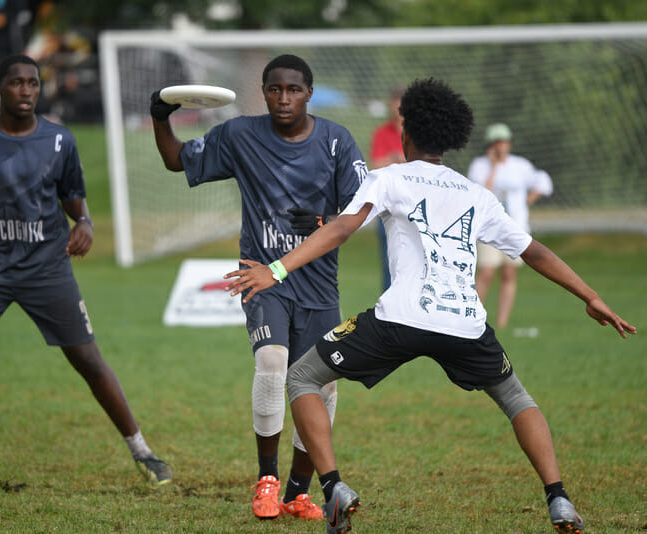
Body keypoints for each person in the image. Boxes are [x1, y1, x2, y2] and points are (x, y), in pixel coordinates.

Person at [225, 78, 636, 534]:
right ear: (452, 140)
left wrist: (276, 269)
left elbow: (341, 229)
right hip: (465, 323)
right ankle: (558, 499)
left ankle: (333, 487)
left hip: (401, 318)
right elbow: (533, 251)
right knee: (517, 397)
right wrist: (591, 296)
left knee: (303, 376)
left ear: (406, 134)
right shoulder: (476, 194)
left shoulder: (389, 177)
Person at [0, 54, 172, 486]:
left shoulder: (60, 140)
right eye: (16, 83)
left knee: (88, 359)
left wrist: (86, 223)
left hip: (46, 266)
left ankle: (143, 453)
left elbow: (74, 196)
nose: (26, 91)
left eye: (33, 84)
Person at [151, 54, 367, 521]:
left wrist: (323, 222)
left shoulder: (337, 141)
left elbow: (358, 213)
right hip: (262, 276)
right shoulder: (240, 135)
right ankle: (266, 480)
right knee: (272, 364)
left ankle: (296, 492)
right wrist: (159, 114)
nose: (283, 98)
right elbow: (175, 160)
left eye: (293, 90)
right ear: (263, 92)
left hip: (319, 287)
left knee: (323, 388)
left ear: (309, 92)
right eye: (274, 89)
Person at [467, 123, 553, 328]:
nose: (501, 147)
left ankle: (502, 323)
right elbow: (479, 194)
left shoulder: (520, 165)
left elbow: (543, 182)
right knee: (486, 272)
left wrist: (527, 201)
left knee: (508, 273)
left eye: (504, 143)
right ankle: (472, 319)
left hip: (515, 226)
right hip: (487, 228)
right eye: (497, 143)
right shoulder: (479, 166)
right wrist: (494, 166)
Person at [368, 85, 405, 293]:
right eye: (396, 104)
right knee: (389, 261)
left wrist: (395, 160)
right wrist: (396, 159)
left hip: (414, 206)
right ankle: (389, 310)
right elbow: (376, 164)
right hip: (388, 206)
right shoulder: (381, 134)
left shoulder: (418, 132)